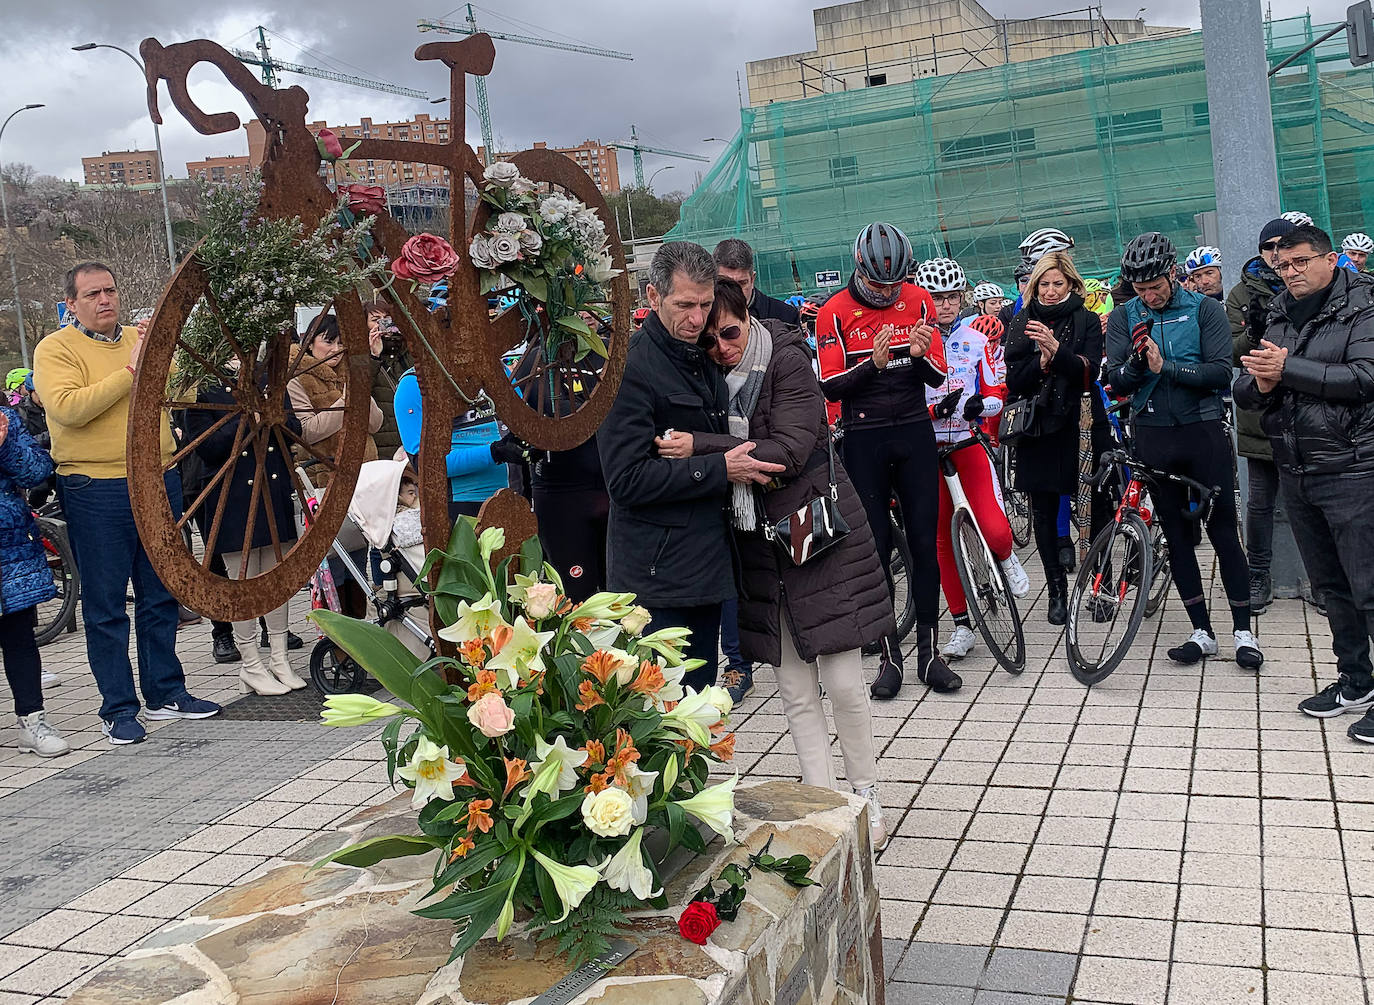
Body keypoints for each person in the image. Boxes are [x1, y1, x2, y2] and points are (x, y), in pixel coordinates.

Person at [659, 277, 893, 848]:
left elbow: (789, 450)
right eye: (709, 340)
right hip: (759, 545)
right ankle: (824, 805)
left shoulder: (787, 359)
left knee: (844, 682)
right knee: (793, 688)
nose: (722, 348)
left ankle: (867, 796)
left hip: (817, 534)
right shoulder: (706, 381)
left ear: (748, 318)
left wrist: (701, 446)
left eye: (730, 332)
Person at [34, 262, 221, 745]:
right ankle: (118, 708)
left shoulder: (139, 338)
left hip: (158, 478)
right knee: (107, 603)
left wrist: (166, 354)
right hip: (94, 486)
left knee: (160, 593)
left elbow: (180, 394)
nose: (105, 300)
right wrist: (133, 371)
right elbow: (69, 409)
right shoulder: (55, 348)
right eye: (92, 294)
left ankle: (165, 692)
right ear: (71, 304)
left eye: (110, 290)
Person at [599, 242, 784, 693]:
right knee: (657, 711)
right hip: (655, 579)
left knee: (698, 706)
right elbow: (626, 480)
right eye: (684, 305)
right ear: (652, 296)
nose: (698, 319)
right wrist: (719, 468)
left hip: (706, 565)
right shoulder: (630, 366)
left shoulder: (705, 353)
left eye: (704, 304)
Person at [1235, 226, 1374, 740]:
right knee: (1331, 586)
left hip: (1354, 467)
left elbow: (1365, 378)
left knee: (1369, 587)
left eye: (1300, 262)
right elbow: (1249, 387)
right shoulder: (1278, 312)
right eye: (1283, 265)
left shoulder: (1363, 305)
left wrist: (1287, 368)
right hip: (1296, 465)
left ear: (1330, 259)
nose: (1291, 272)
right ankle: (1356, 680)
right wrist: (1261, 383)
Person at [1105, 233, 1261, 669]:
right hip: (1152, 434)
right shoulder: (1124, 317)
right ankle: (1201, 632)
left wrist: (1165, 366)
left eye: (1156, 286)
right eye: (1140, 290)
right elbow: (1115, 381)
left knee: (1223, 531)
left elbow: (1220, 373)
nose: (1149, 296)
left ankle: (1243, 632)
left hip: (1202, 431)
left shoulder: (1205, 309)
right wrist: (1137, 365)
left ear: (1172, 274)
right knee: (1175, 536)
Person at [816, 222, 954, 697]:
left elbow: (938, 377)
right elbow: (830, 386)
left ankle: (929, 655)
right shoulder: (834, 311)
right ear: (859, 271)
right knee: (875, 551)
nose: (885, 293)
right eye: (877, 285)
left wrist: (916, 356)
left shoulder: (919, 300)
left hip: (914, 430)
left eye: (893, 285)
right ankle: (889, 658)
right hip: (864, 436)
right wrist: (871, 366)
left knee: (925, 545)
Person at [914, 260, 1030, 660]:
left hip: (967, 443)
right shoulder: (913, 341)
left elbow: (997, 392)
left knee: (995, 529)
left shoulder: (977, 340)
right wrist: (932, 412)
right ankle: (962, 625)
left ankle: (1006, 557)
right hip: (928, 451)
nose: (945, 305)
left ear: (962, 297)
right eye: (936, 298)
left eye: (951, 297)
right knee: (941, 541)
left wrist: (980, 405)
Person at [184, 365, 308, 696]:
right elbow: (206, 445)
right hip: (233, 494)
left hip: (273, 485)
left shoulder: (267, 376)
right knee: (243, 579)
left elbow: (294, 428)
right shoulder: (204, 384)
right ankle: (251, 663)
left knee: (276, 579)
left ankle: (280, 658)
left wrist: (274, 415)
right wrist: (248, 417)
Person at [1004, 251, 1104, 626]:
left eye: (1057, 284)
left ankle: (1100, 585)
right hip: (1038, 427)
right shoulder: (1022, 321)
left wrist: (1057, 352)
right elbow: (1014, 379)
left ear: (1071, 284)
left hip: (1080, 422)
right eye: (1043, 284)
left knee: (1095, 504)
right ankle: (1056, 590)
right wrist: (1040, 362)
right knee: (1043, 512)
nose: (1049, 291)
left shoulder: (1086, 319)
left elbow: (1089, 371)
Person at [1226, 216, 1298, 613]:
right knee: (1259, 503)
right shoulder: (1241, 292)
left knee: (1312, 502)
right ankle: (1257, 574)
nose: (1275, 252)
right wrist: (1253, 333)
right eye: (1268, 246)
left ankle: (1323, 579)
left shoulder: (1309, 285)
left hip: (1308, 410)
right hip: (1261, 413)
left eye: (1282, 244)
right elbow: (1231, 352)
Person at [0, 406, 70, 756]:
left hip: (10, 553)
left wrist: (5, 446)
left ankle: (32, 721)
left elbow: (38, 471)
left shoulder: (5, 418)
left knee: (19, 638)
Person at [287, 313, 384, 488]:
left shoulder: (349, 372)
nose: (335, 349)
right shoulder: (297, 379)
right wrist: (346, 401)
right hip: (322, 475)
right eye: (328, 342)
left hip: (365, 472)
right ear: (310, 343)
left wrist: (361, 390)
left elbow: (375, 425)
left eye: (340, 343)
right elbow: (306, 431)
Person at [393, 379, 509, 523]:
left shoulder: (495, 372)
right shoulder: (412, 385)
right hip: (465, 506)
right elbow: (427, 465)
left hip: (518, 496)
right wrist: (495, 453)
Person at [713, 238, 801, 327]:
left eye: (742, 283)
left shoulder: (787, 316)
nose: (734, 291)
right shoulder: (705, 317)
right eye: (726, 283)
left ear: (752, 279)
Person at [367, 302, 413, 461]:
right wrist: (374, 356)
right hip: (384, 438)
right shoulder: (362, 356)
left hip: (412, 430)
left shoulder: (408, 350)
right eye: (375, 320)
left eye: (387, 318)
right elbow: (361, 390)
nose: (383, 323)